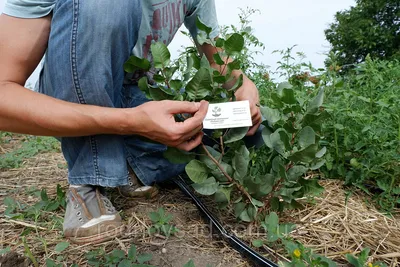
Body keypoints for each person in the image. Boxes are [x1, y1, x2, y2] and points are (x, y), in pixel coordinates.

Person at [0, 0, 261, 245]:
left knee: (250, 131)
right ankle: (89, 181)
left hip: (138, 93)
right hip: (72, 89)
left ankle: (127, 163)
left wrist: (244, 88)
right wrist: (131, 123)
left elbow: (222, 63)